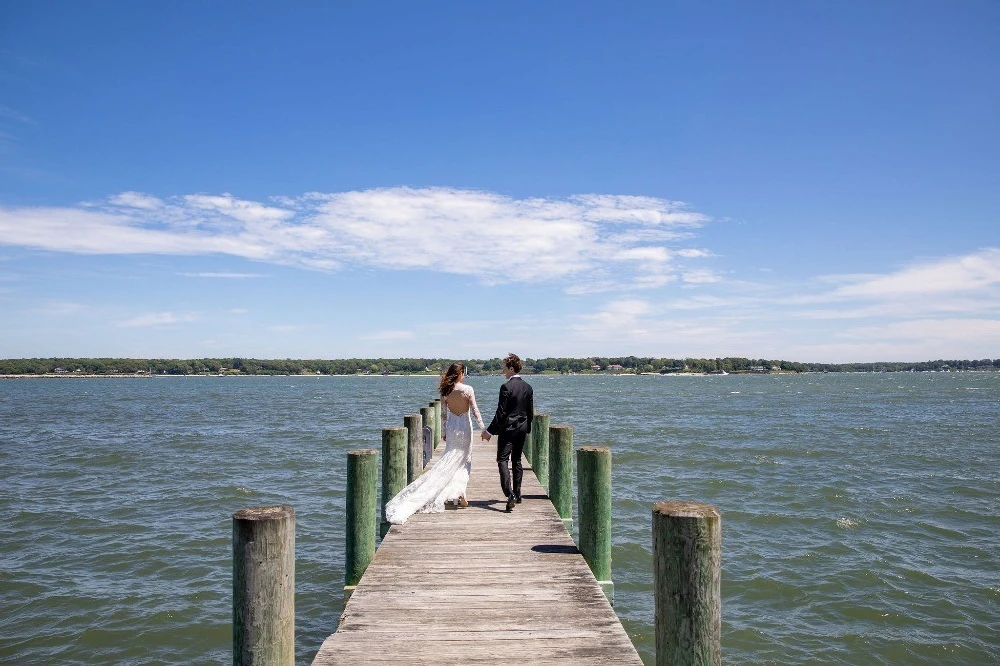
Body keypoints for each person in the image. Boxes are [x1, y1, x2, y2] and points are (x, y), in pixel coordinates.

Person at [384, 362, 485, 525]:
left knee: (450, 459)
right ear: (460, 374)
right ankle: (461, 495)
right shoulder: (468, 390)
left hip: (452, 429)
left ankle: (458, 495)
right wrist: (483, 429)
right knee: (464, 461)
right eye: (463, 373)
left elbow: (444, 416)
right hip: (465, 429)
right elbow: (475, 411)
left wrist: (444, 432)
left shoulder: (446, 391)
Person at [481, 353, 534, 512]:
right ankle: (518, 494)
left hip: (508, 429)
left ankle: (509, 493)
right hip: (522, 427)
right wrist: (528, 428)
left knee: (502, 459)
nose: (503, 370)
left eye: (504, 367)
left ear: (511, 368)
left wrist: (489, 431)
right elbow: (530, 411)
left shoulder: (506, 387)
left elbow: (501, 413)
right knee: (517, 460)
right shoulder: (528, 387)